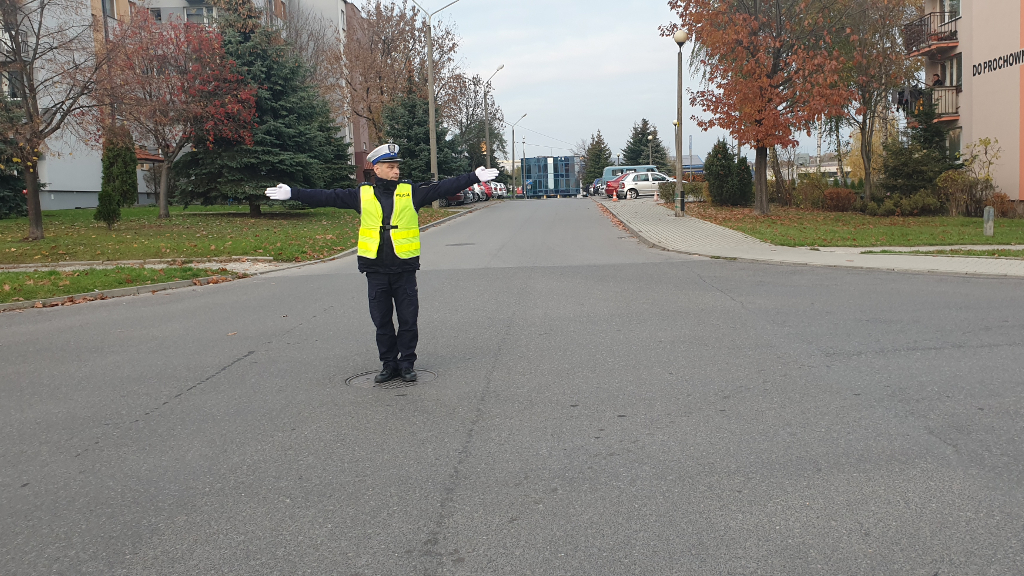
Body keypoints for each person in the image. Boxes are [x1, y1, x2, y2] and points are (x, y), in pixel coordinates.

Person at [265, 144, 499, 383]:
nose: (396, 171)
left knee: (408, 320)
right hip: (376, 270)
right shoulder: (362, 194)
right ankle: (388, 365)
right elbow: (327, 196)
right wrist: (293, 193)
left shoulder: (411, 192)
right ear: (377, 169)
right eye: (390, 167)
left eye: (397, 167)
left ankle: (406, 364)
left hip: (404, 269)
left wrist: (473, 177)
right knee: (382, 322)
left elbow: (443, 187)